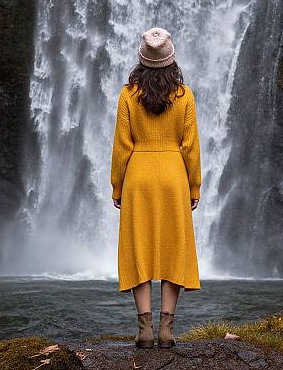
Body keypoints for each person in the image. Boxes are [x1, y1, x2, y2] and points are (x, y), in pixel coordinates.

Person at [110, 26, 202, 349]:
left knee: (141, 249)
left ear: (141, 60)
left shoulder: (128, 95)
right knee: (173, 248)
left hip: (138, 176)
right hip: (174, 176)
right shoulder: (184, 95)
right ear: (171, 60)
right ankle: (167, 328)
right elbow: (190, 146)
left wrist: (117, 186)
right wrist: (194, 187)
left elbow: (122, 146)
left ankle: (144, 328)